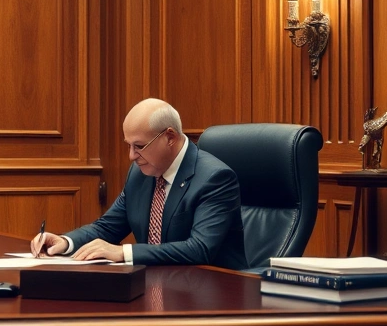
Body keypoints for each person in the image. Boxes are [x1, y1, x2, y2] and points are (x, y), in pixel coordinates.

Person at [31, 98, 248, 268]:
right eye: (128, 146)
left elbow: (199, 249)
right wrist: (66, 242)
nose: (131, 156)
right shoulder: (140, 173)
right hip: (160, 285)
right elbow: (107, 227)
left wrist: (124, 253)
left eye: (139, 146)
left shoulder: (215, 179)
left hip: (215, 295)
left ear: (170, 137)